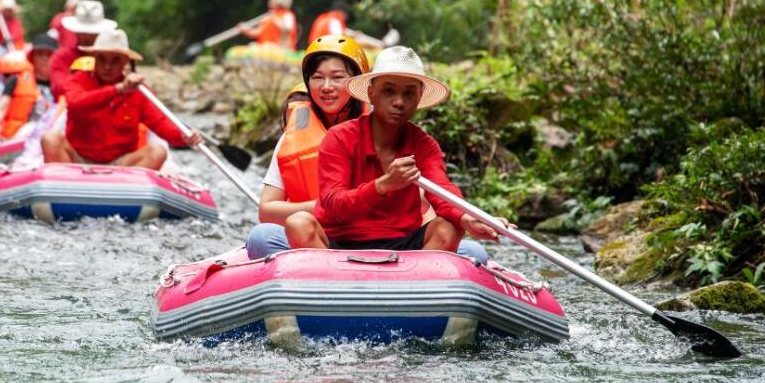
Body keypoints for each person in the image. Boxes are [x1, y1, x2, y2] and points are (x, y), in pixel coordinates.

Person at [245, 38, 489, 262]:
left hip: (403, 245)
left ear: (419, 97)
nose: (399, 102)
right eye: (389, 91)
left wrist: (466, 216)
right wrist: (383, 186)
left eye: (408, 93)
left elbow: (443, 190)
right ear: (371, 92)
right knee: (291, 226)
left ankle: (410, 291)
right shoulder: (338, 138)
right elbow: (332, 205)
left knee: (454, 230)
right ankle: (335, 287)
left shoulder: (423, 143)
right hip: (339, 242)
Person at [41, 28, 202, 169]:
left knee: (157, 152)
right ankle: (65, 193)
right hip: (78, 159)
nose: (107, 66)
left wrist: (183, 137)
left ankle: (126, 197)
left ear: (126, 61)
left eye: (115, 60)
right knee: (50, 139)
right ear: (94, 57)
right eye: (102, 59)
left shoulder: (139, 90)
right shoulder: (78, 80)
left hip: (120, 165)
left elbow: (161, 123)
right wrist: (118, 90)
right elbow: (77, 104)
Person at [49, 0, 115, 100]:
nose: (88, 37)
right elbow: (60, 90)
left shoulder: (113, 57)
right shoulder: (61, 57)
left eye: (92, 33)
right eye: (83, 32)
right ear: (75, 32)